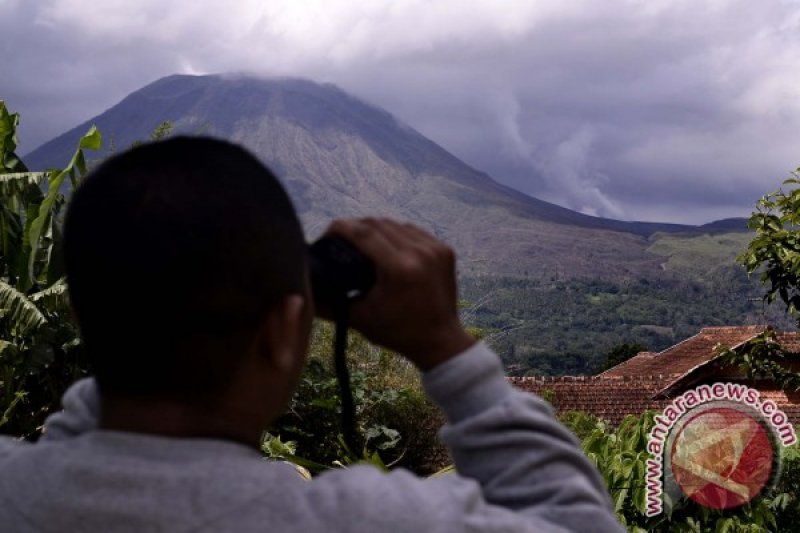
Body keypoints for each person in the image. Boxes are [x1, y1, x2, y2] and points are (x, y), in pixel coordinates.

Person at [0, 137, 623, 532]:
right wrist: (445, 346)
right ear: (282, 329)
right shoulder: (364, 521)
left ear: (79, 316)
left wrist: (131, 329)